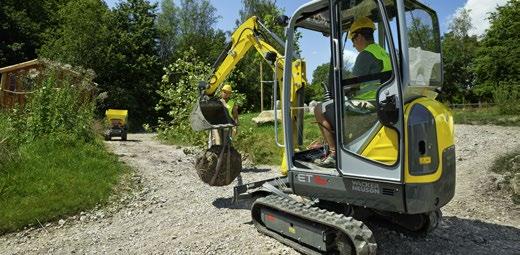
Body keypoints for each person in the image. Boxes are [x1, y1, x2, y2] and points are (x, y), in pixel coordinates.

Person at [314, 17, 391, 168]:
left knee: (318, 109)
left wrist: (341, 88)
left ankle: (334, 153)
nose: (353, 45)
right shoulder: (382, 52)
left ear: (360, 36)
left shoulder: (366, 55)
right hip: (379, 100)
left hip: (367, 104)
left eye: (353, 40)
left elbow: (353, 84)